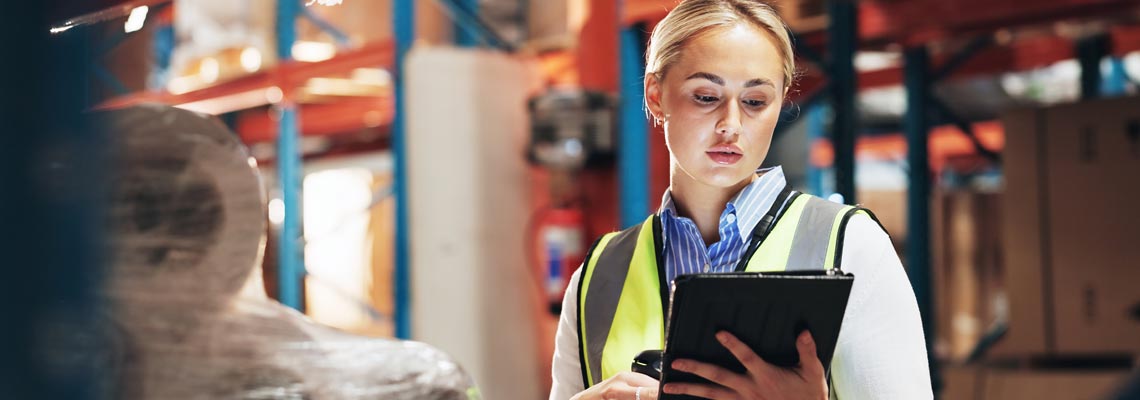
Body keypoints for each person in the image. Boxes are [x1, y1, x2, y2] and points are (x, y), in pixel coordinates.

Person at [548, 1, 932, 399]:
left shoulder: (851, 246)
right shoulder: (596, 277)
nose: (730, 125)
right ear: (656, 94)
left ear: (780, 101)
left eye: (754, 102)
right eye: (705, 96)